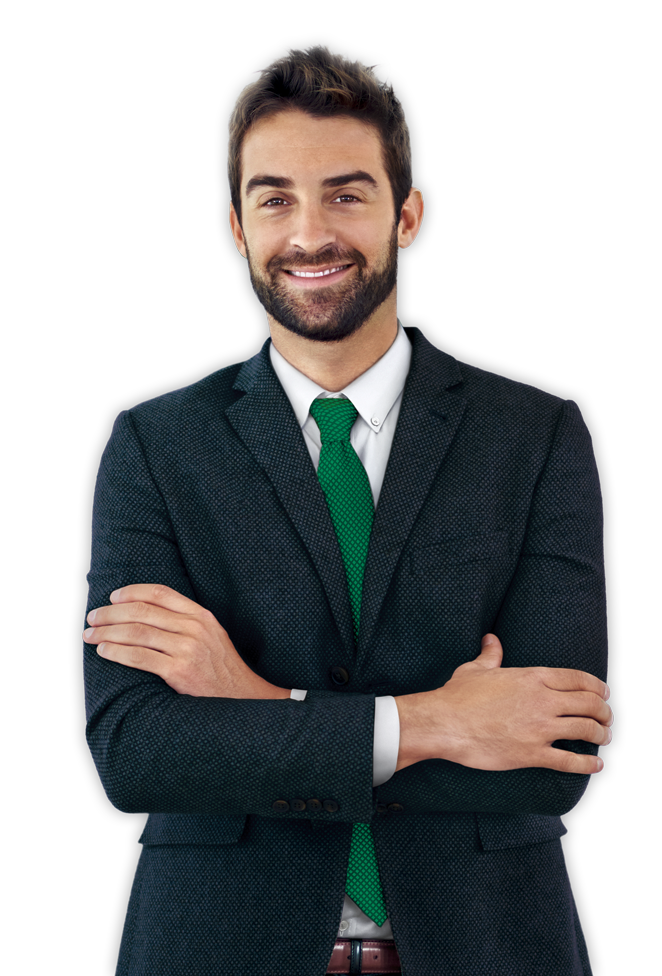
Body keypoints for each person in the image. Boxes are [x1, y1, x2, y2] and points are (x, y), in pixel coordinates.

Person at [83, 41, 612, 976]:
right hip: (217, 948)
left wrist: (252, 702)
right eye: (275, 197)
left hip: (487, 945)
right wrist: (441, 722)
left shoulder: (538, 433)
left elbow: (552, 754)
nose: (310, 233)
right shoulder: (153, 445)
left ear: (409, 214)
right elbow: (140, 753)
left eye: (347, 193)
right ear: (237, 228)